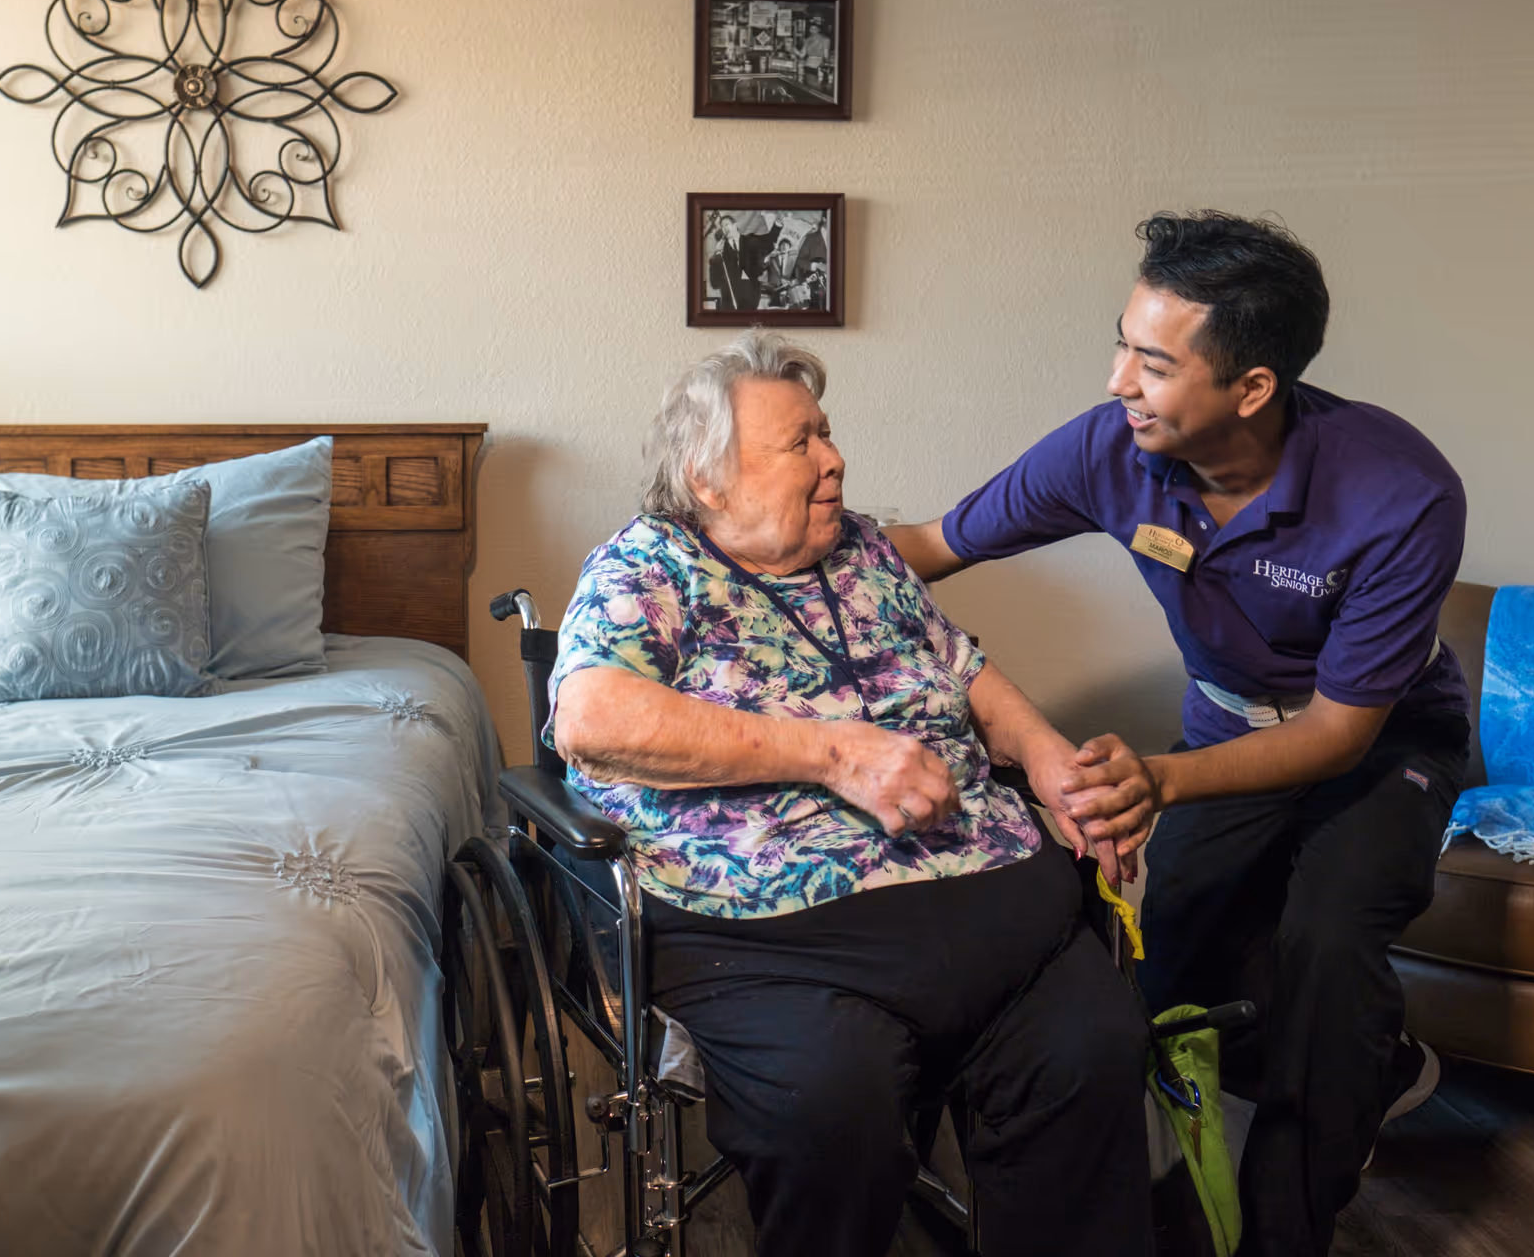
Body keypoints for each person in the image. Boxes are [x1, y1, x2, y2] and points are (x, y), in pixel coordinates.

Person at [886, 211, 1469, 1257]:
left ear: (1251, 387)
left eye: (1152, 362)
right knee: (1168, 976)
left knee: (1330, 943)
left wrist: (1159, 776)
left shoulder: (1400, 490)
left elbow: (1338, 734)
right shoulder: (1110, 449)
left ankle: (1287, 1228)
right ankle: (1367, 1067)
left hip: (1383, 744)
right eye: (1123, 342)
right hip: (1221, 726)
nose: (1117, 380)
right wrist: (726, 561)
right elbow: (928, 544)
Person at [545, 330, 1155, 1257]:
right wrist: (835, 756)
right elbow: (593, 718)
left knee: (1095, 1046)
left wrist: (1045, 758)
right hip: (777, 948)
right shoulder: (647, 569)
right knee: (832, 1100)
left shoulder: (866, 553)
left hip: (1002, 922)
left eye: (827, 433)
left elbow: (967, 672)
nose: (834, 459)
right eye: (801, 443)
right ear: (709, 479)